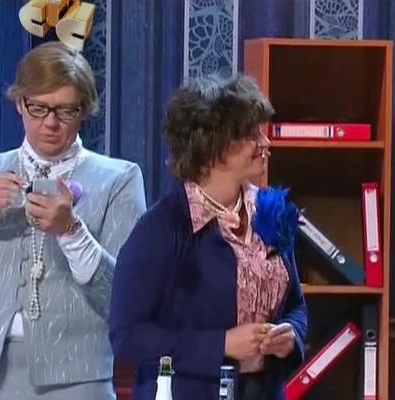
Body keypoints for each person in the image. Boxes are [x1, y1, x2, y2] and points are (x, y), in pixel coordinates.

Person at [0, 41, 147, 399]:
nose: (50, 122)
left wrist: (71, 232)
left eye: (65, 110)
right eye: (38, 108)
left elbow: (127, 297)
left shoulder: (119, 180)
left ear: (84, 111)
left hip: (77, 376)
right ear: (20, 104)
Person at [109, 74, 308, 400]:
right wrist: (222, 344)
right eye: (251, 135)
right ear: (213, 146)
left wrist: (291, 337)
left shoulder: (270, 212)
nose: (265, 143)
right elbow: (127, 336)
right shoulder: (162, 228)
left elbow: (296, 306)